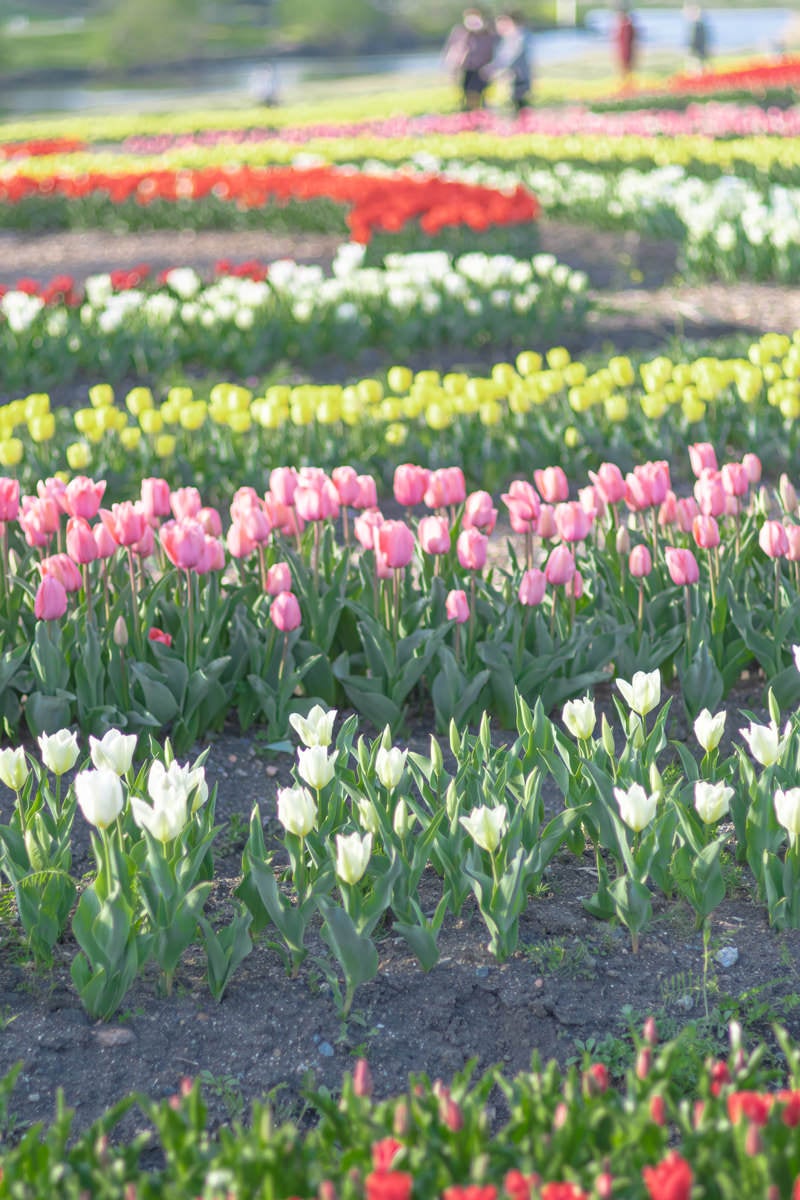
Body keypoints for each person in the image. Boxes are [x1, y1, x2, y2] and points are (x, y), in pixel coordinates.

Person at [443, 8, 495, 110]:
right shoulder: (461, 32)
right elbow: (451, 50)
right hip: (466, 68)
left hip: (482, 69)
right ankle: (470, 113)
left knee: (482, 94)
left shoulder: (487, 33)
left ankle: (482, 113)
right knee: (467, 93)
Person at [484, 11, 532, 112]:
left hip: (519, 76)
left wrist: (494, 67)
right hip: (512, 76)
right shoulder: (507, 37)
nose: (498, 27)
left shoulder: (518, 35)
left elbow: (509, 56)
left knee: (520, 104)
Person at [613, 2, 637, 85]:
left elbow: (630, 38)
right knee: (624, 69)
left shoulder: (627, 25)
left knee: (627, 68)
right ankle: (626, 84)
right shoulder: (624, 24)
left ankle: (627, 85)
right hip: (623, 49)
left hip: (626, 50)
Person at [684, 5, 709, 73]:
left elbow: (697, 40)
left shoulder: (699, 25)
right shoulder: (697, 24)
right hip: (698, 50)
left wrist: (692, 49)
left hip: (698, 51)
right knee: (697, 66)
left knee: (697, 66)